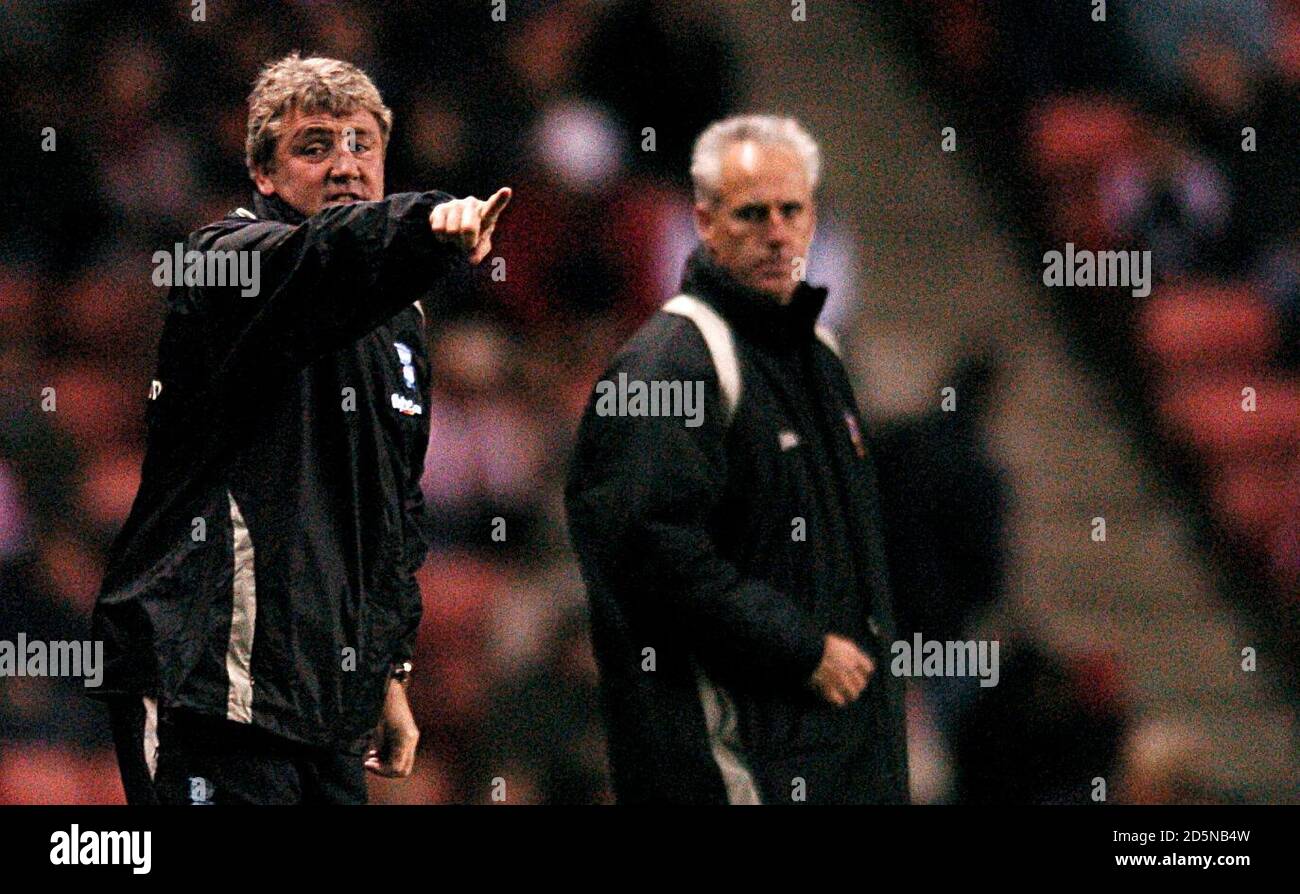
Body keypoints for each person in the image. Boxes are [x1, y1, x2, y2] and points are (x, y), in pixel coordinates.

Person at [89, 53, 511, 805]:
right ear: (262, 172)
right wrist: (423, 220)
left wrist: (391, 674)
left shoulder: (402, 321)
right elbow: (323, 258)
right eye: (314, 146)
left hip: (323, 707)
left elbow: (394, 514)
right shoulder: (221, 264)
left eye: (362, 144)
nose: (345, 166)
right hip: (206, 683)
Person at [564, 115, 909, 804]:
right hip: (730, 763)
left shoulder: (820, 357)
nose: (777, 233)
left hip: (841, 755)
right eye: (752, 214)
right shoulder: (668, 367)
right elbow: (647, 549)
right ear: (705, 223)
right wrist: (800, 648)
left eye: (793, 211)